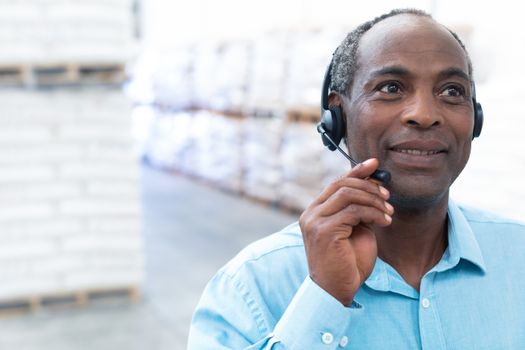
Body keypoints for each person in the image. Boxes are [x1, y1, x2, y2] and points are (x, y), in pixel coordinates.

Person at [188, 8, 525, 349]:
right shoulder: (251, 286)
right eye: (391, 87)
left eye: (452, 92)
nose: (424, 115)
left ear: (475, 119)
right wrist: (324, 297)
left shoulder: (518, 255)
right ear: (338, 116)